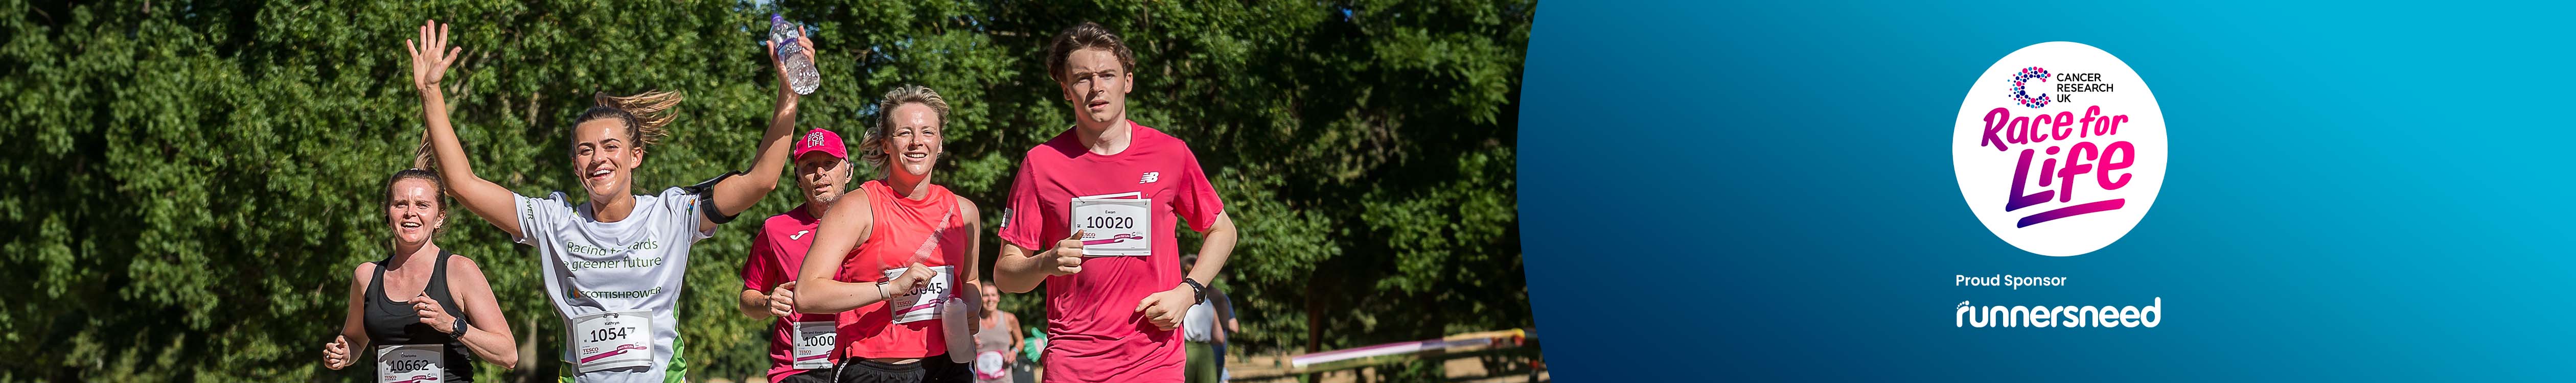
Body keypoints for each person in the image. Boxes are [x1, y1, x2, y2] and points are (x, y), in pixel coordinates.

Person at [403, 18, 807, 383]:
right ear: (576, 166)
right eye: (585, 151)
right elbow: (461, 183)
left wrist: (789, 95)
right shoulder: (553, 220)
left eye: (611, 146)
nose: (598, 158)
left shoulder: (673, 213)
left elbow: (761, 180)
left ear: (635, 156)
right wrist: (431, 93)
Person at [991, 21, 1243, 383]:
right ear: (1065, 89)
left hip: (1155, 359)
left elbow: (1222, 230)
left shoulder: (1170, 154)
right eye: (1082, 78)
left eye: (1107, 75)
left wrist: (1189, 292)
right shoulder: (1041, 165)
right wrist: (1046, 262)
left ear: (1127, 80)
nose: (1096, 88)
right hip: (1073, 362)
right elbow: (1005, 274)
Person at [795, 85, 982, 383]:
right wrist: (889, 290)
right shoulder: (857, 207)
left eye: (928, 132)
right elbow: (806, 294)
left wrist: (972, 308)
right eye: (905, 132)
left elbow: (970, 281)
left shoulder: (966, 212)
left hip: (948, 367)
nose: (917, 142)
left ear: (941, 143)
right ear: (886, 144)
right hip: (873, 368)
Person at [323, 168, 520, 382]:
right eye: (400, 204)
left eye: (422, 205)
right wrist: (342, 353)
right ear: (388, 215)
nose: (410, 213)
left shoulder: (459, 270)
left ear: (439, 217)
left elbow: (508, 355)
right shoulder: (367, 276)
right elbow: (354, 340)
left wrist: (452, 325)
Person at [739, 127, 859, 383]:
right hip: (796, 371)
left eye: (830, 163)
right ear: (797, 177)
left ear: (848, 171)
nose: (820, 173)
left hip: (860, 365)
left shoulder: (873, 224)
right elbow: (747, 299)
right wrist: (767, 303)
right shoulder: (776, 229)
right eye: (809, 165)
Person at [1178, 255, 1234, 383]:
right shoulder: (1207, 303)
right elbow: (1220, 338)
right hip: (1206, 354)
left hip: (1186, 352)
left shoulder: (1177, 303)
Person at [974, 282, 1023, 383]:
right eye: (986, 295)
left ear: (998, 298)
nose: (990, 300)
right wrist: (971, 344)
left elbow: (1021, 342)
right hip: (979, 380)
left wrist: (1014, 352)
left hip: (1004, 380)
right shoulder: (973, 321)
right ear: (980, 298)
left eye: (993, 295)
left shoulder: (1009, 319)